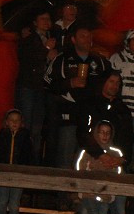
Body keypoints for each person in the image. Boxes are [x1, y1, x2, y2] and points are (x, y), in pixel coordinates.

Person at [45, 21, 112, 172]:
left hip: (92, 118)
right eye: (82, 36)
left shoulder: (99, 61)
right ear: (74, 39)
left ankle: (81, 193)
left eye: (89, 36)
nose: (87, 39)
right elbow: (48, 83)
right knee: (65, 158)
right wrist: (70, 83)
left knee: (86, 160)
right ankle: (63, 193)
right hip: (69, 115)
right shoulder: (62, 59)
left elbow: (112, 83)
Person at [67, 120, 128, 214]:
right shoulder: (89, 150)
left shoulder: (115, 152)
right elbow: (79, 167)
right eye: (102, 132)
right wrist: (83, 186)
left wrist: (111, 186)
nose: (105, 136)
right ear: (96, 133)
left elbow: (118, 172)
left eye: (108, 133)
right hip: (89, 192)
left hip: (105, 195)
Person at [16, 10, 58, 161]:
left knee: (37, 128)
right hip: (29, 86)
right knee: (26, 124)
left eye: (48, 18)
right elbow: (26, 58)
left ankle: (34, 159)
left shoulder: (52, 38)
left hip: (42, 88)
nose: (46, 22)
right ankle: (22, 157)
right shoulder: (28, 38)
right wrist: (45, 50)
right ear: (35, 22)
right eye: (43, 18)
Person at [0, 109, 32, 214]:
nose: (14, 122)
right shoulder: (3, 134)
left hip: (18, 173)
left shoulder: (25, 136)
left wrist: (25, 170)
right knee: (2, 200)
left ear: (21, 122)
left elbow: (28, 154)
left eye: (17, 120)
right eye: (11, 120)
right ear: (6, 122)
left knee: (15, 202)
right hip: (4, 173)